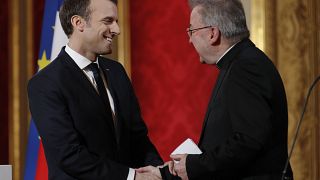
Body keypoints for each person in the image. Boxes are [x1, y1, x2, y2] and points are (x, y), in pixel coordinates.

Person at [140, 0, 294, 179]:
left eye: (191, 30)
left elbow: (248, 141)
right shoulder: (238, 63)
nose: (189, 40)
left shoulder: (245, 67)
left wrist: (192, 165)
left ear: (213, 33)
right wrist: (172, 170)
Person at [28, 0, 163, 179]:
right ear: (79, 23)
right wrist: (132, 177)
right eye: (108, 21)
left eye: (116, 21)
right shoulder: (46, 83)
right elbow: (69, 155)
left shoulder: (116, 71)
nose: (116, 30)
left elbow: (137, 138)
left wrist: (159, 171)